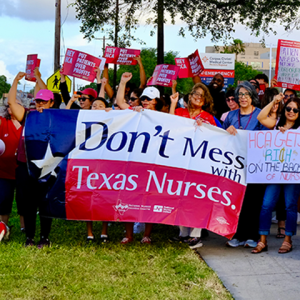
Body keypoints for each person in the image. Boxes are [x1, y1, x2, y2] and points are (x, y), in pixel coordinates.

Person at [116, 72, 165, 244]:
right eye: (143, 98)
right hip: (133, 161)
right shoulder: (135, 112)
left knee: (150, 197)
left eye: (149, 99)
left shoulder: (164, 117)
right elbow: (120, 103)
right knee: (128, 195)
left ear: (156, 102)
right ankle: (128, 234)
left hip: (153, 162)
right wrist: (123, 82)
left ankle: (146, 234)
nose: (145, 101)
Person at [8, 72, 55, 248]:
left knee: (45, 203)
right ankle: (29, 238)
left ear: (51, 103)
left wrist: (38, 78)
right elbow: (12, 102)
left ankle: (45, 237)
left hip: (47, 167)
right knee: (27, 204)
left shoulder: (57, 118)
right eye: (37, 101)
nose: (40, 103)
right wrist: (15, 81)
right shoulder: (28, 115)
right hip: (25, 166)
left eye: (43, 101)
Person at [252, 95, 300, 254]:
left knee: (290, 206)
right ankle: (263, 239)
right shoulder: (276, 125)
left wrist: (290, 135)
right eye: (288, 108)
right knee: (266, 205)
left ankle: (288, 240)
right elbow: (260, 117)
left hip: (292, 175)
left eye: (295, 109)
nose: (291, 112)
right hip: (274, 173)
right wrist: (274, 102)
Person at [224, 81, 267, 248]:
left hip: (255, 166)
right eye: (240, 94)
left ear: (252, 97)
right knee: (237, 201)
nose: (243, 98)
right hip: (235, 166)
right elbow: (222, 137)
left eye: (246, 94)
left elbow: (266, 139)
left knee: (253, 201)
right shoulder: (230, 116)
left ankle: (252, 235)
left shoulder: (260, 115)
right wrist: (226, 132)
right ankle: (238, 235)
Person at [0, 99, 24, 241]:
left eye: (15, 104)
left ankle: (24, 227)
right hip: (3, 171)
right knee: (3, 199)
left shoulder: (27, 122)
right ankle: (3, 226)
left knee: (23, 200)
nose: (11, 107)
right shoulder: (2, 122)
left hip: (22, 170)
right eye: (9, 105)